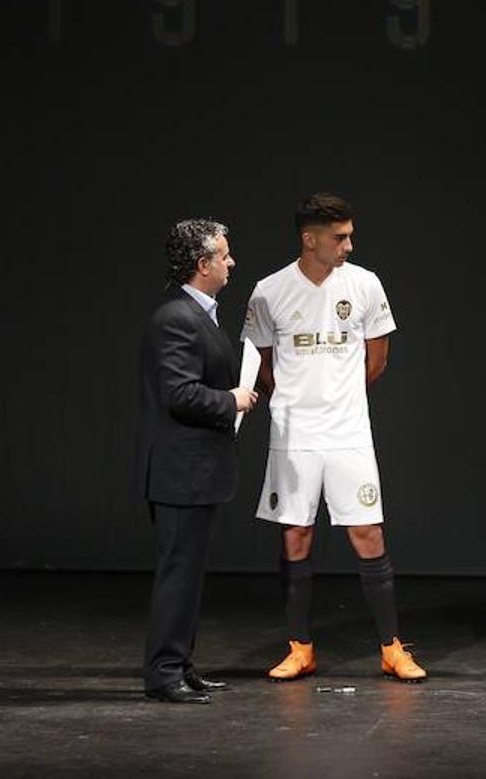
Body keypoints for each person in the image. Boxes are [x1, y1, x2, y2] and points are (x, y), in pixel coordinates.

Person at [242, 193, 425, 682]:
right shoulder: (269, 290)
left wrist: (337, 398)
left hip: (348, 431)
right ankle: (300, 647)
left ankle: (391, 648)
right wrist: (298, 400)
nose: (349, 244)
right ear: (310, 238)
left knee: (367, 533)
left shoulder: (365, 284)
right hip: (293, 432)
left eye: (349, 235)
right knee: (296, 535)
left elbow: (377, 360)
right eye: (339, 237)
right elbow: (260, 362)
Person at [137, 219, 258, 704]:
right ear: (202, 264)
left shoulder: (200, 316)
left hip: (196, 471)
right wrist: (233, 400)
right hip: (179, 472)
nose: (231, 263)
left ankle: (180, 666)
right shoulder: (177, 318)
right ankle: (164, 673)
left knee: (188, 574)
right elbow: (180, 394)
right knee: (178, 574)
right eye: (224, 256)